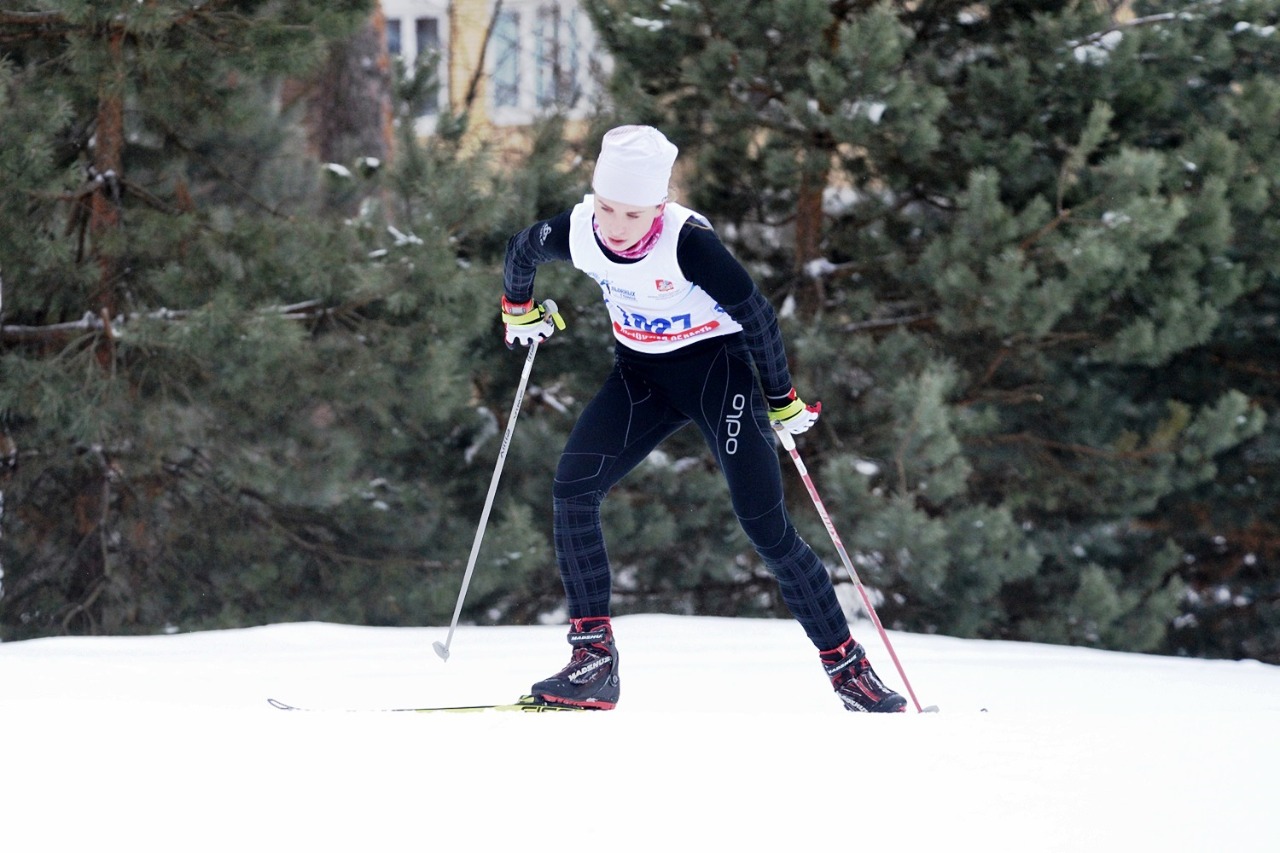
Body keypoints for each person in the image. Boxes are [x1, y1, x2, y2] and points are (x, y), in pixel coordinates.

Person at [500, 125, 905, 713]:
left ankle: (852, 675)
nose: (614, 226)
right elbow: (521, 248)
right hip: (641, 377)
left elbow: (758, 317)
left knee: (767, 528)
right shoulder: (580, 231)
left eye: (632, 214)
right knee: (572, 490)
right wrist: (519, 308)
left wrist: (782, 398)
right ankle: (593, 663)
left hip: (720, 375)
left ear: (659, 209)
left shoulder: (689, 244)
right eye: (606, 207)